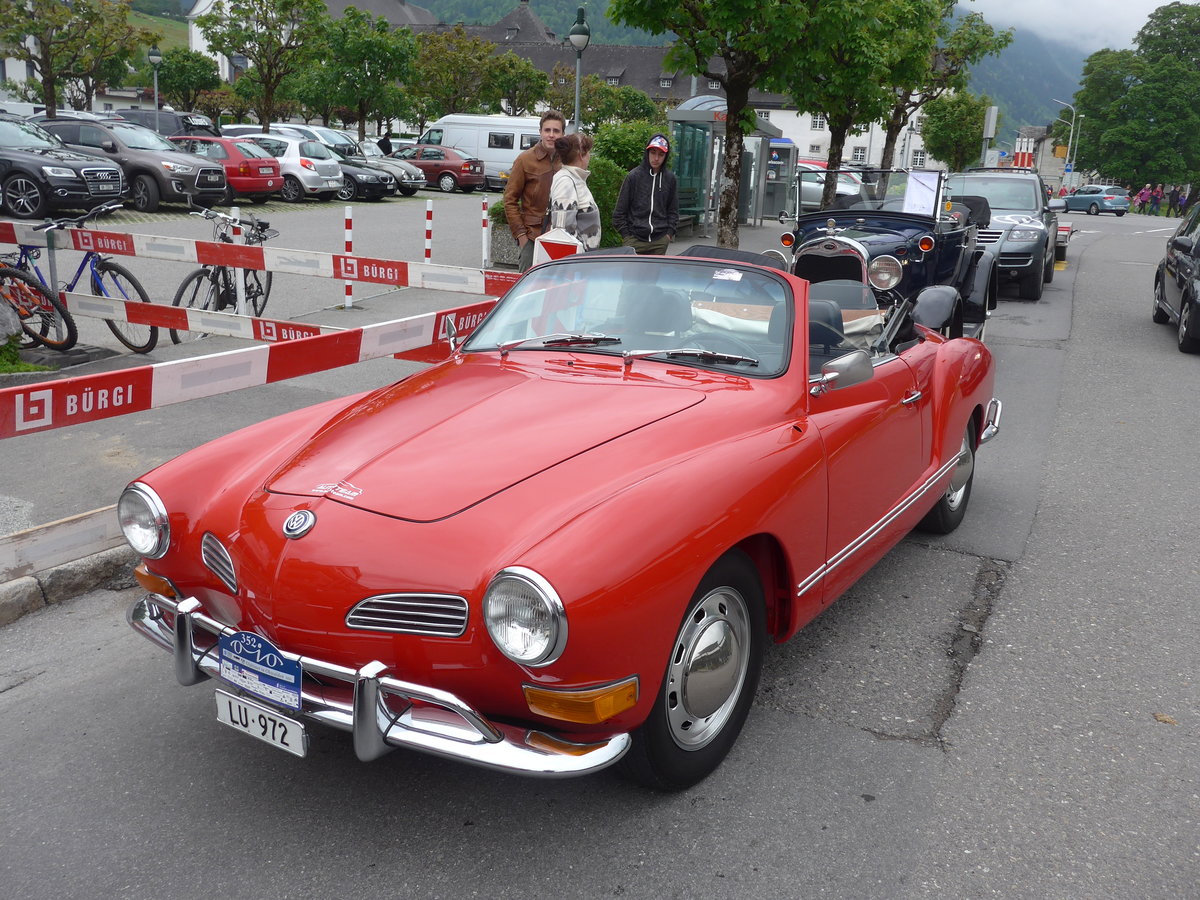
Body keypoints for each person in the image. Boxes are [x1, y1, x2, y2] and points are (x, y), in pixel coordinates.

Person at [503, 110, 566, 271]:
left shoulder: (568, 160)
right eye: (547, 130)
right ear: (540, 132)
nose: (551, 135)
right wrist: (521, 236)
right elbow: (509, 200)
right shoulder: (525, 160)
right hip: (532, 237)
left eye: (556, 131)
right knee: (529, 285)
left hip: (562, 237)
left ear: (563, 134)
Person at [613, 133, 679, 255]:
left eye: (661, 154)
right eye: (653, 152)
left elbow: (673, 210)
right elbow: (619, 212)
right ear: (647, 152)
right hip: (634, 240)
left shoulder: (670, 179)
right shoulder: (633, 177)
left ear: (666, 156)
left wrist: (669, 234)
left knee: (656, 269)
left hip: (660, 241)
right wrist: (626, 236)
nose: (656, 158)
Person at [548, 132, 601, 251]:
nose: (590, 156)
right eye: (589, 152)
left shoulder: (575, 179)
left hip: (583, 258)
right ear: (581, 155)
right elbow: (562, 234)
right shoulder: (565, 181)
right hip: (576, 260)